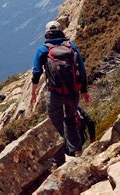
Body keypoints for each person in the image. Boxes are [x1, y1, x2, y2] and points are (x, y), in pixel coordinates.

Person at [30, 20, 90, 163]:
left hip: (54, 93)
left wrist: (33, 94)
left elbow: (36, 73)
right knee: (70, 119)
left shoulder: (42, 50)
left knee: (55, 122)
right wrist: (84, 91)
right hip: (73, 92)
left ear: (47, 34)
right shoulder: (71, 47)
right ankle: (77, 150)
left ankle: (62, 155)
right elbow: (81, 70)